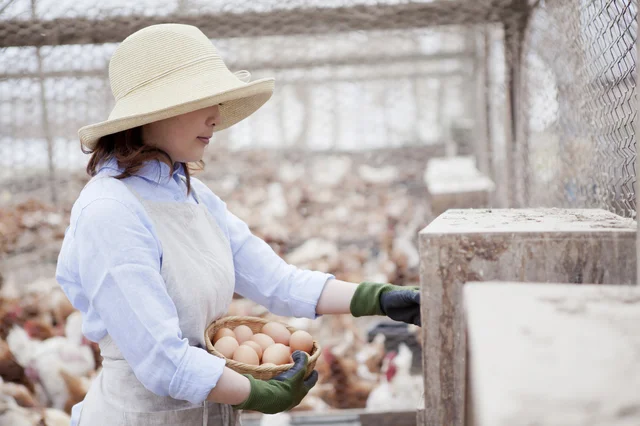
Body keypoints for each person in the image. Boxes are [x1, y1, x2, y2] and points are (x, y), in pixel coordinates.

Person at [55, 23, 421, 426]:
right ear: (153, 113)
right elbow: (161, 361)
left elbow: (277, 283)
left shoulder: (192, 196)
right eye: (202, 100)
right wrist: (262, 392)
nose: (216, 116)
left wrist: (380, 298)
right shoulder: (110, 211)